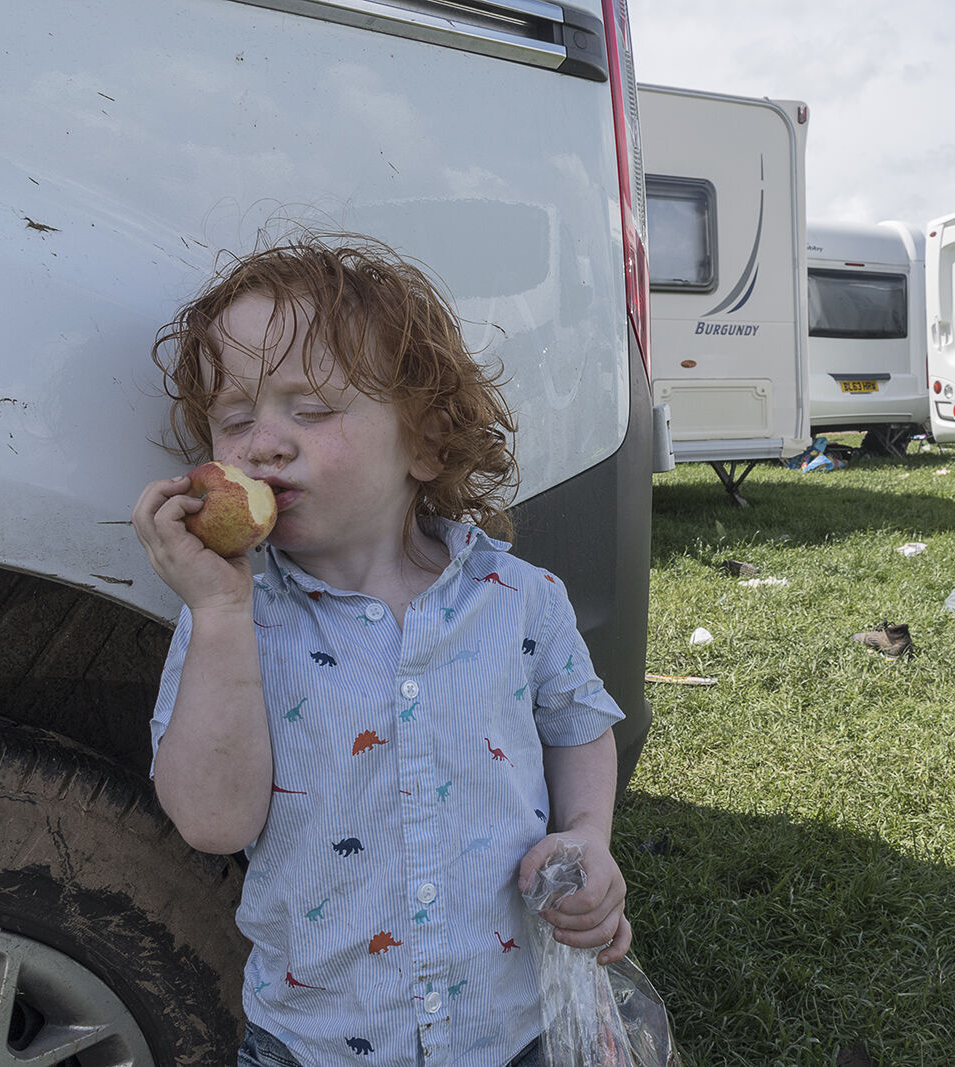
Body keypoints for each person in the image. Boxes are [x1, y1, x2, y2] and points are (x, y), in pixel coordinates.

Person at [131, 233, 631, 1067]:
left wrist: (587, 834)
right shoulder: (230, 618)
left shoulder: (521, 598)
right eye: (234, 419)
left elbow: (578, 722)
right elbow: (212, 824)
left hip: (510, 1033)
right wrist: (219, 611)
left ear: (427, 443)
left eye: (312, 409)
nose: (263, 443)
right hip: (314, 1046)